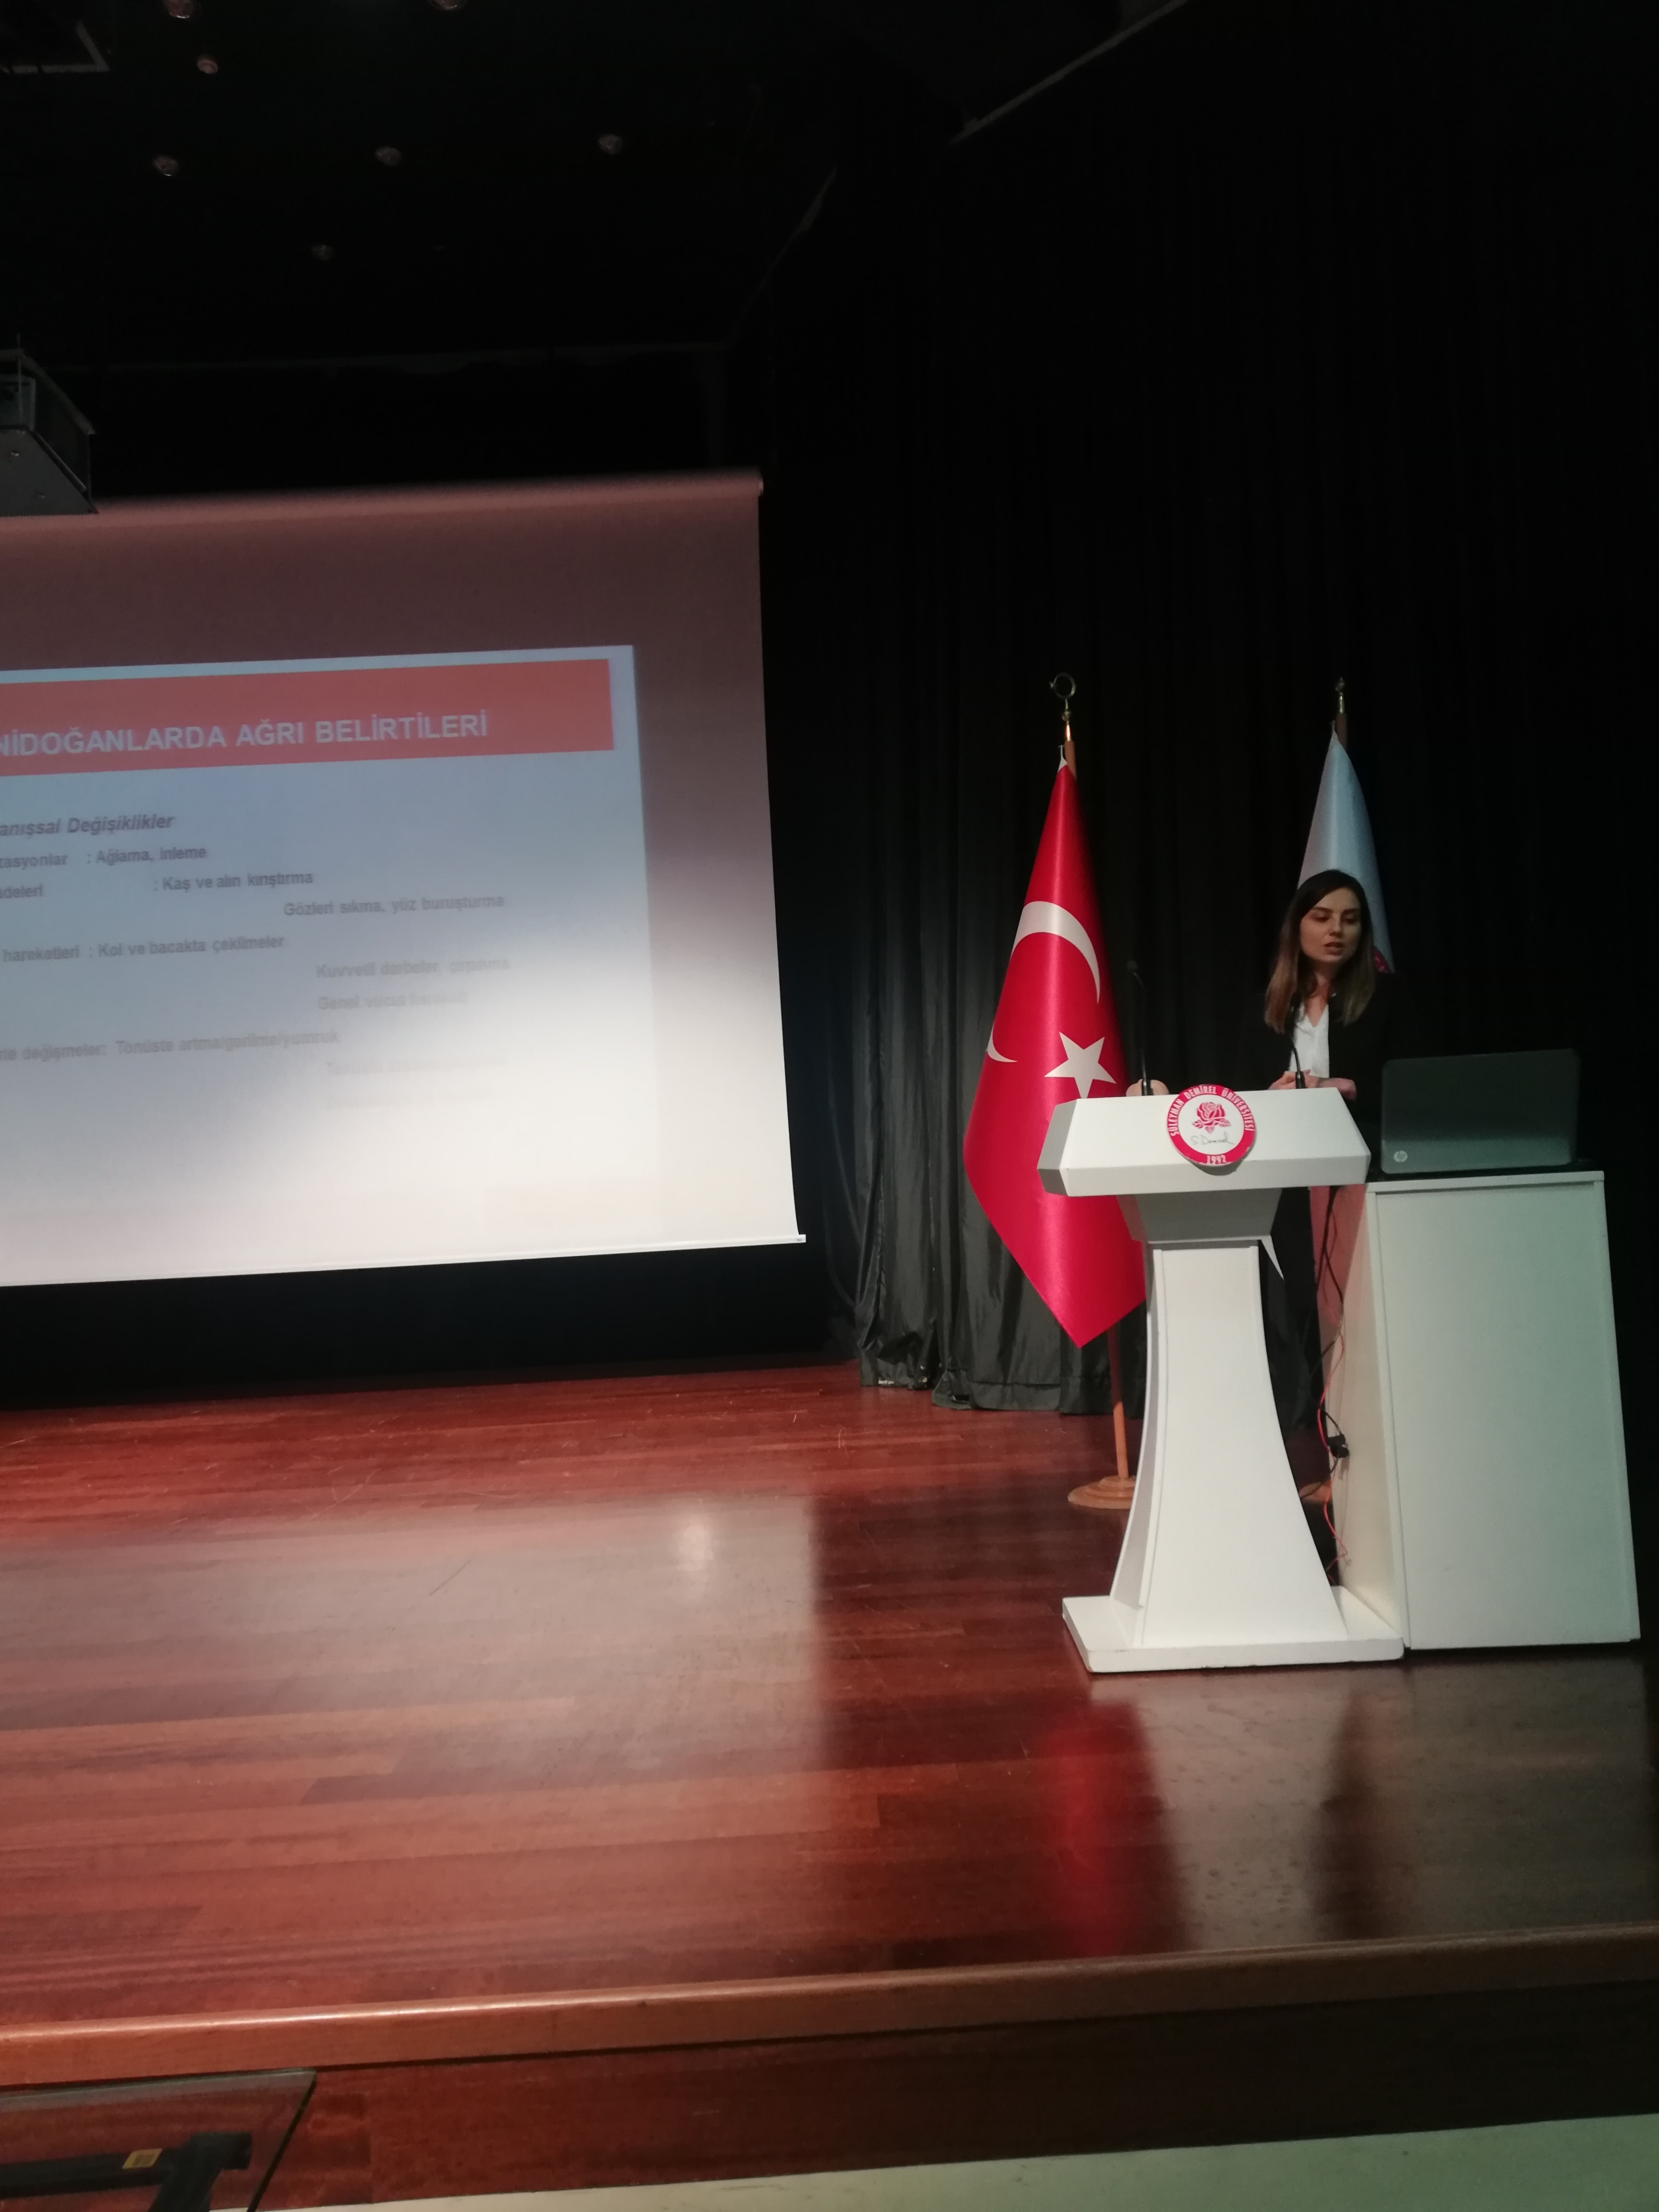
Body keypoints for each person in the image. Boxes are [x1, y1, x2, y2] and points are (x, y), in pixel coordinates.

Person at [1232, 869, 1425, 1467]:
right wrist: (1272, 1095)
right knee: (1311, 1322)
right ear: (1298, 926)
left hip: (1364, 1178)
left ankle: (1381, 1464)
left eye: (1350, 919)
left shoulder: (1387, 999)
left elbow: (1416, 1087)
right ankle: (1337, 1465)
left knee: (1364, 1320)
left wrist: (1348, 1087)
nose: (1336, 930)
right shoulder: (1269, 1007)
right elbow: (1239, 1096)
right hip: (1291, 1187)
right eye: (1322, 917)